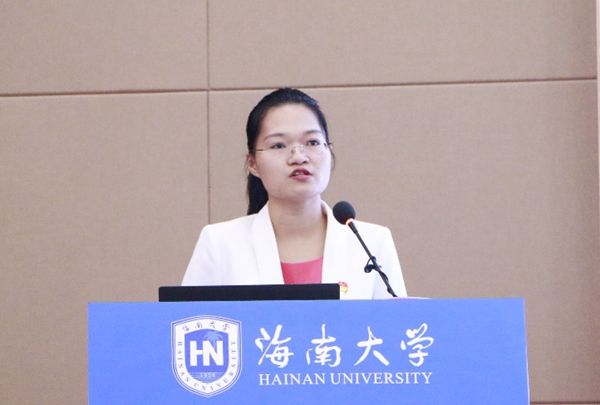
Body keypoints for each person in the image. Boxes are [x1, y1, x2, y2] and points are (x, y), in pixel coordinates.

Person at [182, 88, 407, 299]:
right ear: (252, 163)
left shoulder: (372, 243)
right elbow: (188, 323)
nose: (299, 156)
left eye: (312, 142)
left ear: (329, 151)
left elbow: (397, 323)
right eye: (279, 145)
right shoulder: (220, 244)